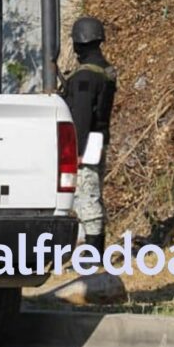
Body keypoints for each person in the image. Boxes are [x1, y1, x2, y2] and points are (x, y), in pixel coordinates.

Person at [60, 17, 117, 250]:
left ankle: (94, 254)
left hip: (85, 142)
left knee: (87, 194)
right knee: (90, 192)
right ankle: (89, 249)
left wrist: (78, 150)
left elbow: (82, 114)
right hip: (98, 139)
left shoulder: (85, 76)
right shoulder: (105, 70)